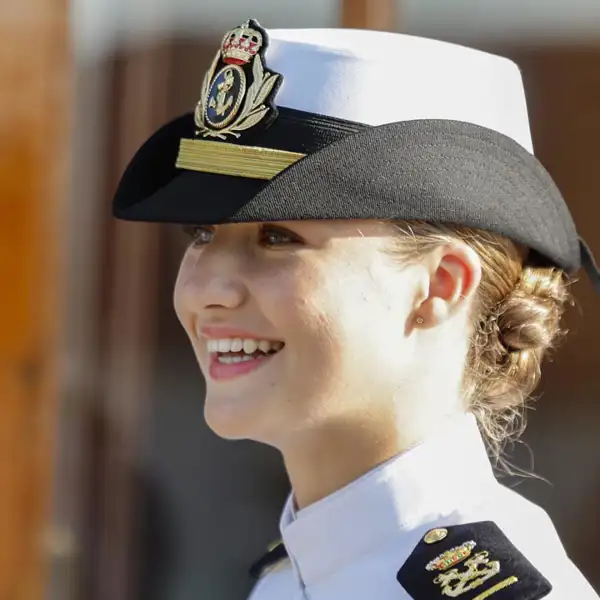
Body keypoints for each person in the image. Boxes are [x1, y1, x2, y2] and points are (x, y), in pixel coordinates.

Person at [112, 19, 600, 600]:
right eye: (201, 233)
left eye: (277, 238)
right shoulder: (297, 571)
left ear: (439, 286)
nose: (205, 291)